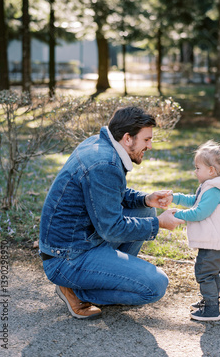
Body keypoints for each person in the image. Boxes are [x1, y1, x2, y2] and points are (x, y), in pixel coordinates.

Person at [39, 106, 183, 320]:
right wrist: (159, 224)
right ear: (127, 138)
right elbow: (112, 229)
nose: (150, 146)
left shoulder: (99, 145)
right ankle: (76, 290)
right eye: (146, 140)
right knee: (155, 285)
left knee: (144, 210)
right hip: (67, 258)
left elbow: (112, 194)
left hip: (82, 240)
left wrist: (145, 199)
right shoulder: (104, 163)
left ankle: (106, 273)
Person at [161, 136, 220, 322]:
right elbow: (195, 200)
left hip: (216, 245)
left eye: (197, 168)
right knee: (211, 274)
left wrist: (177, 215)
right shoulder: (212, 186)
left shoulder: (214, 190)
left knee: (204, 272)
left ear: (210, 170)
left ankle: (212, 309)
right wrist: (174, 197)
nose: (195, 171)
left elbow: (200, 213)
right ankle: (210, 302)